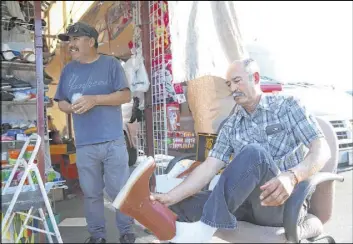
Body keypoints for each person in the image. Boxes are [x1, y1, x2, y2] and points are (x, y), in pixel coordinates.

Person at [150, 58, 331, 242]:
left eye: (237, 81)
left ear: (256, 78)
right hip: (245, 206)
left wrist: (292, 177)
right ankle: (194, 221)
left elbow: (321, 149)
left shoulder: (288, 106)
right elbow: (208, 167)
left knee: (254, 153)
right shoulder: (231, 125)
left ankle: (207, 226)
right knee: (180, 205)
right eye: (229, 84)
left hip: (282, 202)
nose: (233, 88)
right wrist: (170, 197)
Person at [55, 22, 136, 244]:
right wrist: (70, 108)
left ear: (90, 42)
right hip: (84, 144)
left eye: (75, 39)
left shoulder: (110, 64)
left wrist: (95, 100)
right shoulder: (68, 70)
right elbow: (60, 101)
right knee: (91, 194)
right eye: (69, 41)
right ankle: (97, 235)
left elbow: (125, 96)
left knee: (120, 191)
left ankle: (127, 233)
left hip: (112, 141)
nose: (70, 45)